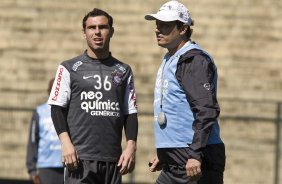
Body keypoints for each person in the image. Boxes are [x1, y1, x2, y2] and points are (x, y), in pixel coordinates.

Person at [47, 8, 138, 184]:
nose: (97, 32)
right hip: (80, 159)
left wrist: (131, 146)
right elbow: (56, 108)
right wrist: (66, 143)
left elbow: (131, 112)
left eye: (103, 27)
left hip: (113, 160)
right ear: (84, 32)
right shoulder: (68, 68)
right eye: (91, 27)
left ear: (111, 31)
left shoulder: (124, 70)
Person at [144, 1, 225, 184]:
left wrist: (195, 153)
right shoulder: (171, 57)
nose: (157, 29)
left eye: (165, 25)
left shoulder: (192, 60)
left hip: (195, 157)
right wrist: (166, 153)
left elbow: (206, 110)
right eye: (157, 24)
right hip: (179, 159)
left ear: (183, 28)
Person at [26, 78, 64, 184]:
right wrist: (32, 170)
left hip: (68, 163)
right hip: (46, 166)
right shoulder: (39, 112)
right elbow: (33, 141)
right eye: (53, 90)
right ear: (48, 92)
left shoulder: (70, 110)